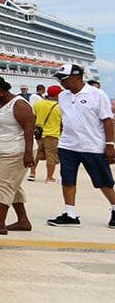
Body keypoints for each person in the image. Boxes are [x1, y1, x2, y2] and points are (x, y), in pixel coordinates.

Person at [46, 64, 115, 229]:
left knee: (103, 181)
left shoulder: (97, 95)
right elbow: (66, 119)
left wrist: (110, 144)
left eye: (64, 79)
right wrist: (61, 139)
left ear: (77, 77)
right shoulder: (63, 96)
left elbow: (107, 120)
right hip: (68, 145)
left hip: (92, 146)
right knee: (67, 180)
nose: (61, 83)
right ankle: (70, 214)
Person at [0, 75, 35, 234]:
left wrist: (28, 154)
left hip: (16, 151)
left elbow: (29, 130)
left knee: (4, 185)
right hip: (0, 151)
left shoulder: (19, 104)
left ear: (0, 89)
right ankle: (23, 221)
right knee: (12, 185)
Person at [29, 85, 62, 183]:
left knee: (36, 155)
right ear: (58, 95)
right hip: (53, 135)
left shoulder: (38, 104)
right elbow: (62, 122)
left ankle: (32, 174)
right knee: (51, 157)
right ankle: (49, 177)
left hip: (39, 134)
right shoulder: (60, 107)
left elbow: (33, 117)